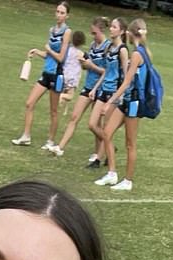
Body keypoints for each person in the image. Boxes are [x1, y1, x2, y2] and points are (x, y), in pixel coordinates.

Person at [95, 18, 151, 192]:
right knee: (106, 132)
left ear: (128, 33)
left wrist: (110, 102)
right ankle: (112, 173)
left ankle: (128, 181)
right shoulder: (141, 52)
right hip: (126, 100)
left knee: (130, 144)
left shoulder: (137, 54)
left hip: (133, 102)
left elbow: (126, 82)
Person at [12, 3, 73, 151]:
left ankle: (51, 141)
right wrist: (38, 52)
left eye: (62, 12)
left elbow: (60, 57)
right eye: (57, 11)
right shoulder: (52, 30)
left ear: (67, 16)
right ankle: (26, 136)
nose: (58, 15)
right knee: (29, 103)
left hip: (57, 75)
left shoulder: (67, 32)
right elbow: (48, 55)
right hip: (46, 73)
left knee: (53, 110)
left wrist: (48, 49)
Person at [51, 18, 110, 160]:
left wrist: (90, 66)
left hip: (100, 89)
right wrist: (83, 63)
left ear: (101, 30)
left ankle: (101, 151)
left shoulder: (108, 46)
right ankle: (60, 148)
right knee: (74, 117)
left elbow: (107, 72)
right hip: (88, 86)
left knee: (96, 124)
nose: (92, 36)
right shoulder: (92, 45)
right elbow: (87, 66)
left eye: (94, 33)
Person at [85, 17, 129, 172]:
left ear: (121, 31)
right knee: (92, 124)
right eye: (111, 26)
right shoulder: (109, 47)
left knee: (106, 129)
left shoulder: (123, 50)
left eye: (114, 27)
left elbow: (126, 75)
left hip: (113, 94)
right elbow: (106, 72)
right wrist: (95, 88)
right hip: (103, 90)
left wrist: (117, 97)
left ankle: (98, 159)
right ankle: (110, 146)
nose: (111, 29)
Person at [59, 30, 87, 112]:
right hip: (73, 77)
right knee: (70, 96)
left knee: (64, 90)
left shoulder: (68, 50)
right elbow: (83, 65)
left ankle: (63, 109)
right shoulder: (81, 54)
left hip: (65, 74)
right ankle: (61, 96)